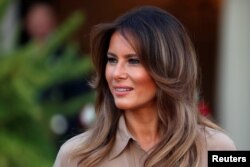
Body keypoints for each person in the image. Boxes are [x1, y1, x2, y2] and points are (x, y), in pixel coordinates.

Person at [54, 6, 236, 167]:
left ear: (167, 68)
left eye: (133, 61)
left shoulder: (219, 148)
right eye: (112, 60)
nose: (116, 73)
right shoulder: (75, 156)